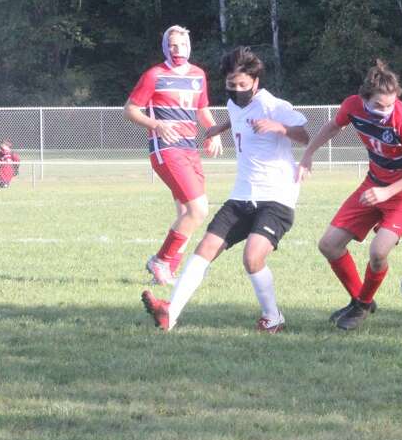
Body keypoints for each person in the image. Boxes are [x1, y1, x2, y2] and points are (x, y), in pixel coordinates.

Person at [142, 46, 309, 332]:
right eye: (231, 85)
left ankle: (273, 317)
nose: (236, 90)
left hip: (276, 198)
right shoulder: (234, 104)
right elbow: (237, 117)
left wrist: (278, 127)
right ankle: (170, 313)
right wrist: (219, 128)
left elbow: (305, 136)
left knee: (252, 257)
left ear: (255, 82)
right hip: (241, 196)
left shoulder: (273, 105)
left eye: (243, 85)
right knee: (204, 248)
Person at [297, 60, 402, 331]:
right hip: (373, 185)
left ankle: (361, 305)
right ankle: (361, 300)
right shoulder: (353, 106)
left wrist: (387, 192)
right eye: (378, 106)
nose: (385, 111)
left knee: (378, 251)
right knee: (329, 245)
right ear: (364, 99)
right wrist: (307, 154)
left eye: (390, 105)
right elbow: (333, 127)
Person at [124, 25, 223, 285]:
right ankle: (160, 261)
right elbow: (131, 110)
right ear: (165, 47)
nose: (176, 49)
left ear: (189, 46)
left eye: (181, 44)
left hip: (190, 149)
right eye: (171, 45)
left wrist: (213, 133)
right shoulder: (154, 75)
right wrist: (156, 125)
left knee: (187, 213)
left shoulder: (198, 75)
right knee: (198, 209)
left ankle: (168, 269)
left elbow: (202, 109)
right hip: (166, 149)